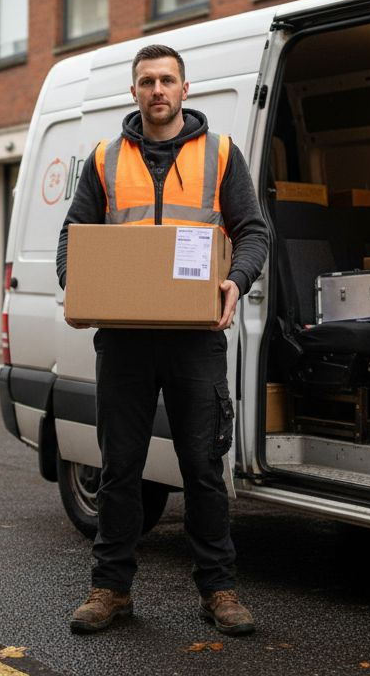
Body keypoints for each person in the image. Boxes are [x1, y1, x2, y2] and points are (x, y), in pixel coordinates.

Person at [56, 44, 270, 636]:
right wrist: (78, 289)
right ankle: (110, 590)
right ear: (134, 91)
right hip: (123, 339)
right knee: (120, 468)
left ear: (184, 88)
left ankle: (219, 591)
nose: (157, 90)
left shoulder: (221, 154)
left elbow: (253, 231)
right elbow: (73, 236)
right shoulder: (103, 158)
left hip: (193, 338)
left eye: (167, 80)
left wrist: (236, 280)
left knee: (202, 467)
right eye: (147, 81)